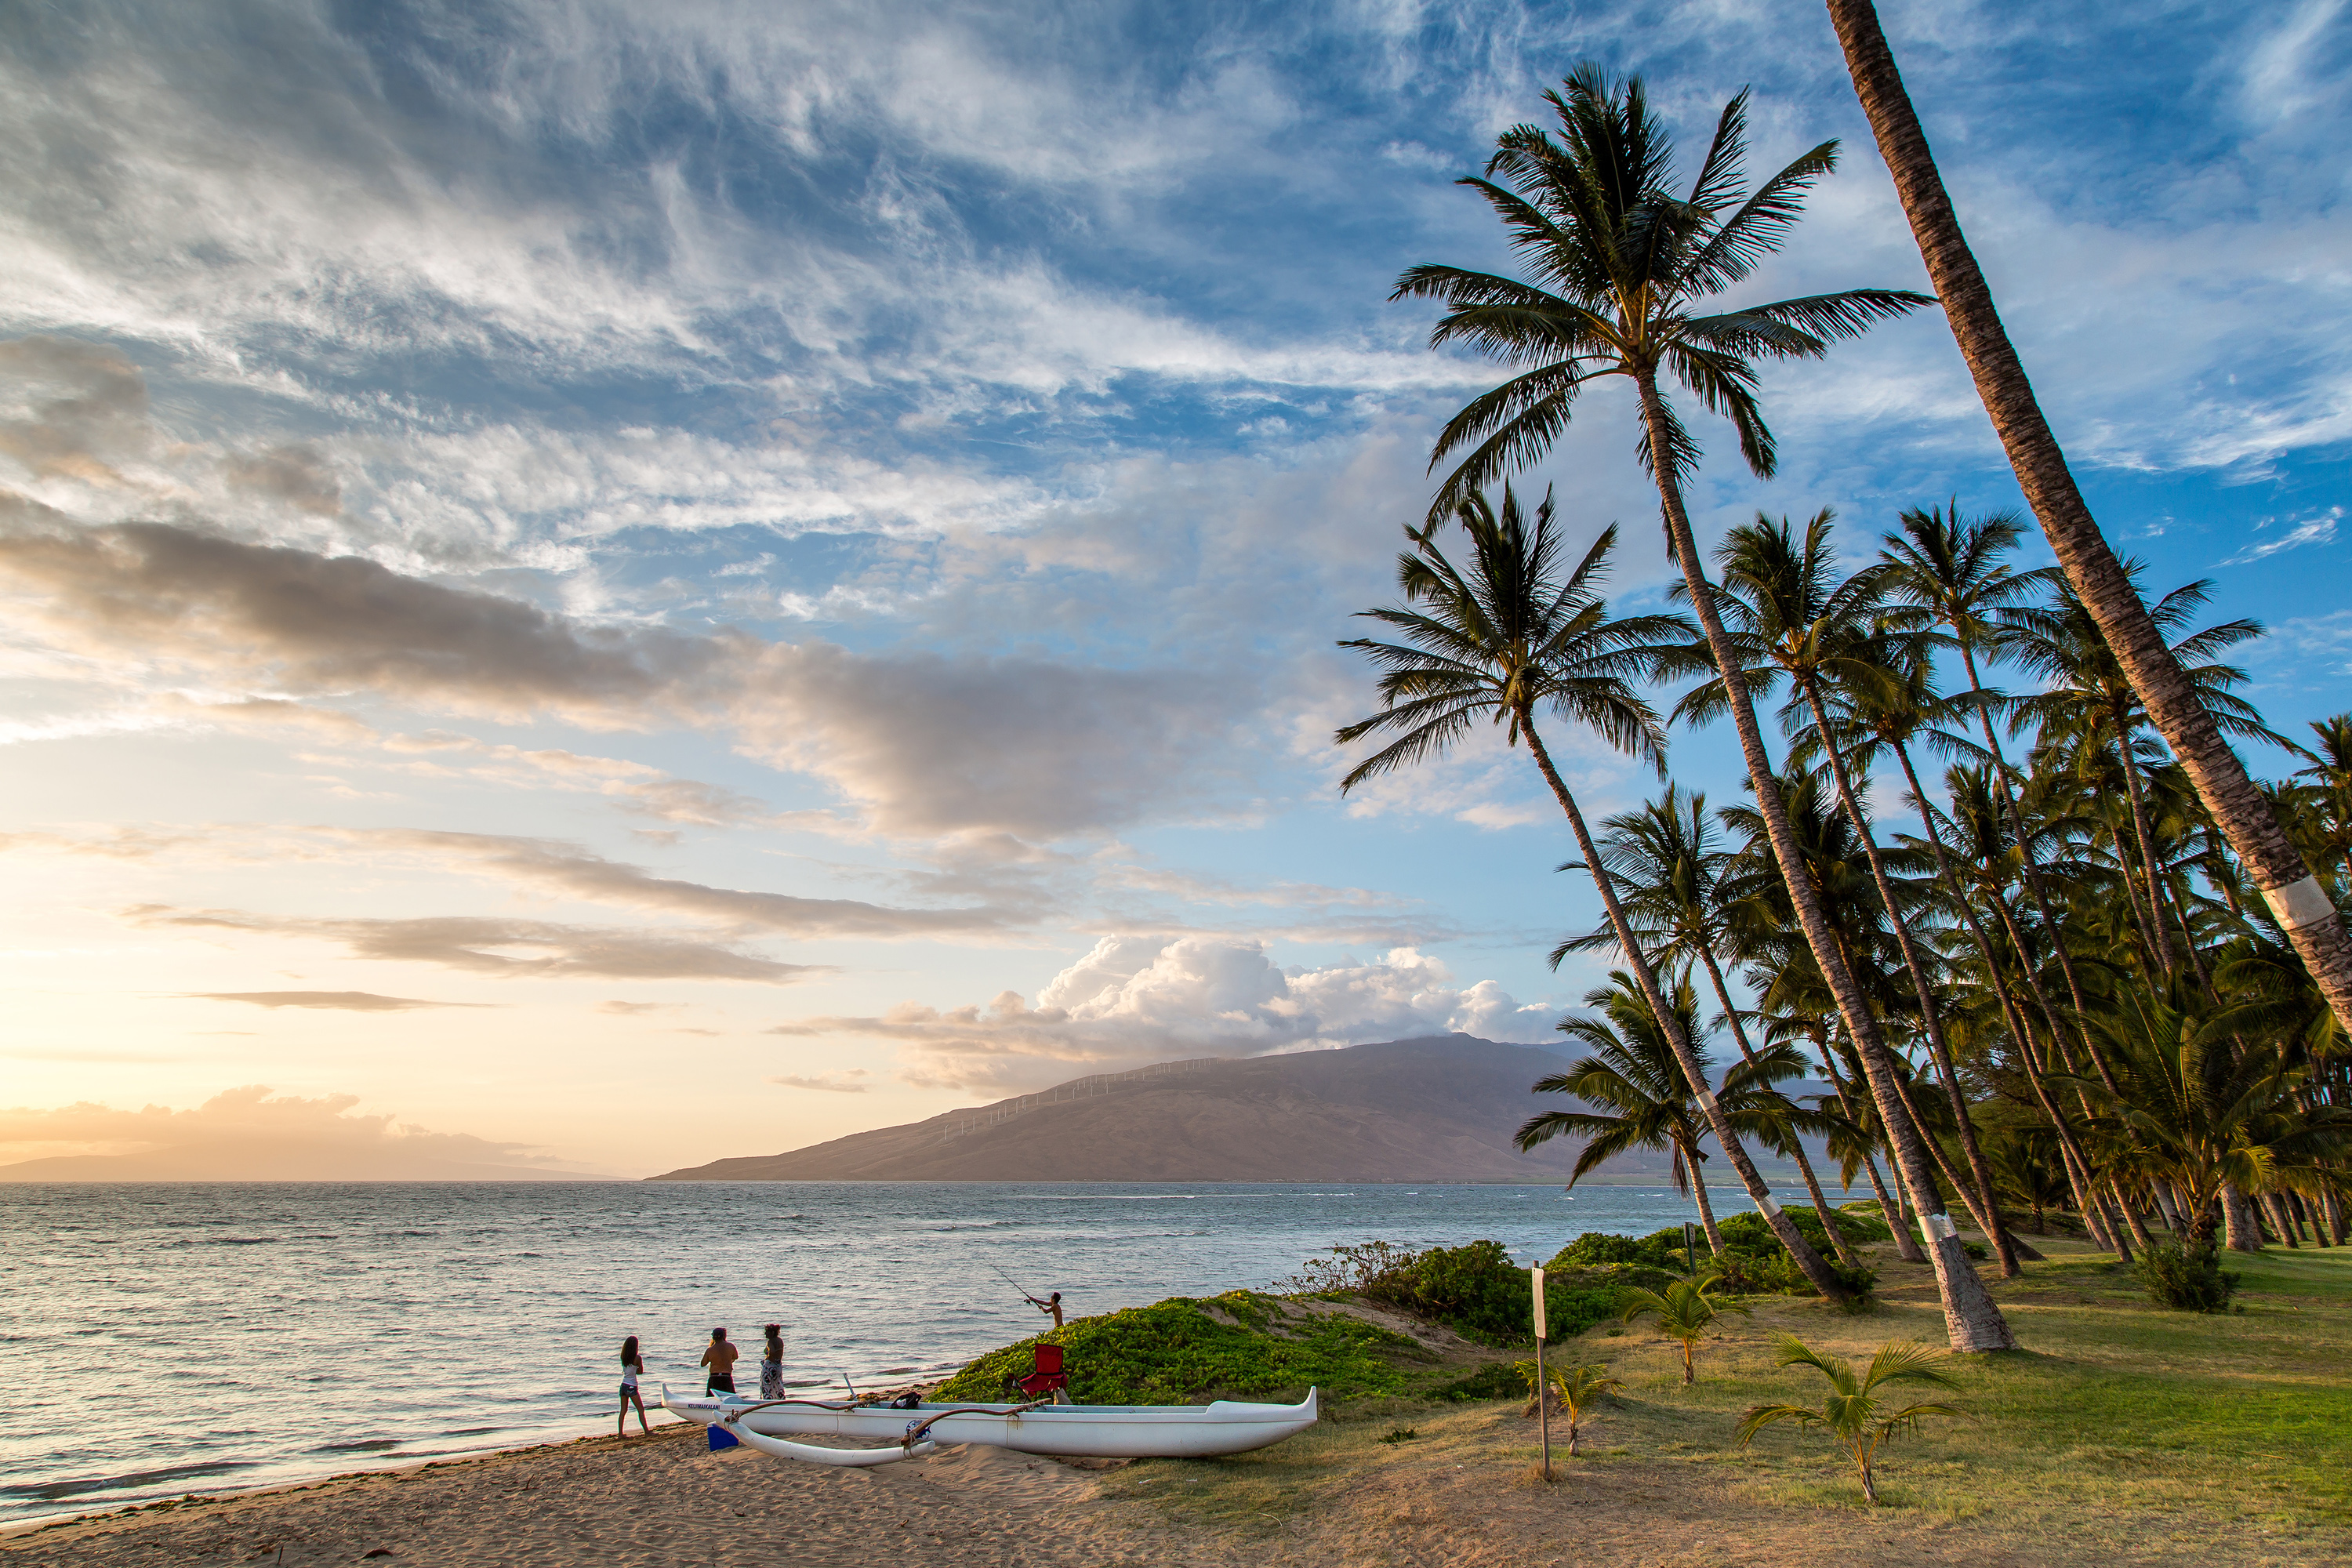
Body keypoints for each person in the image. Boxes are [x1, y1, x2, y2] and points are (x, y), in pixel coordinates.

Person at [617, 1335, 650, 1438]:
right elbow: (640, 1372)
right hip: (632, 1386)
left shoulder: (623, 1357)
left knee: (623, 1411)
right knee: (640, 1409)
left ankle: (620, 1433)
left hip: (623, 1385)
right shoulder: (637, 1358)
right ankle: (647, 1431)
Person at [700, 1327, 739, 1395]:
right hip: (726, 1376)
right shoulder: (731, 1346)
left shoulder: (710, 1350)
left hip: (714, 1377)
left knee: (713, 1398)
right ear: (723, 1336)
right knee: (729, 1397)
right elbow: (735, 1357)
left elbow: (703, 1364)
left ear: (713, 1337)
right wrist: (727, 1361)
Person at [758, 1324, 785, 1400]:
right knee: (777, 1384)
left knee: (767, 1385)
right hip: (778, 1365)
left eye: (766, 1332)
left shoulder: (770, 1342)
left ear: (772, 1333)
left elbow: (772, 1352)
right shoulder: (780, 1340)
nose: (765, 1334)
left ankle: (768, 1400)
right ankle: (780, 1400)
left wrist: (767, 1360)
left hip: (769, 1366)